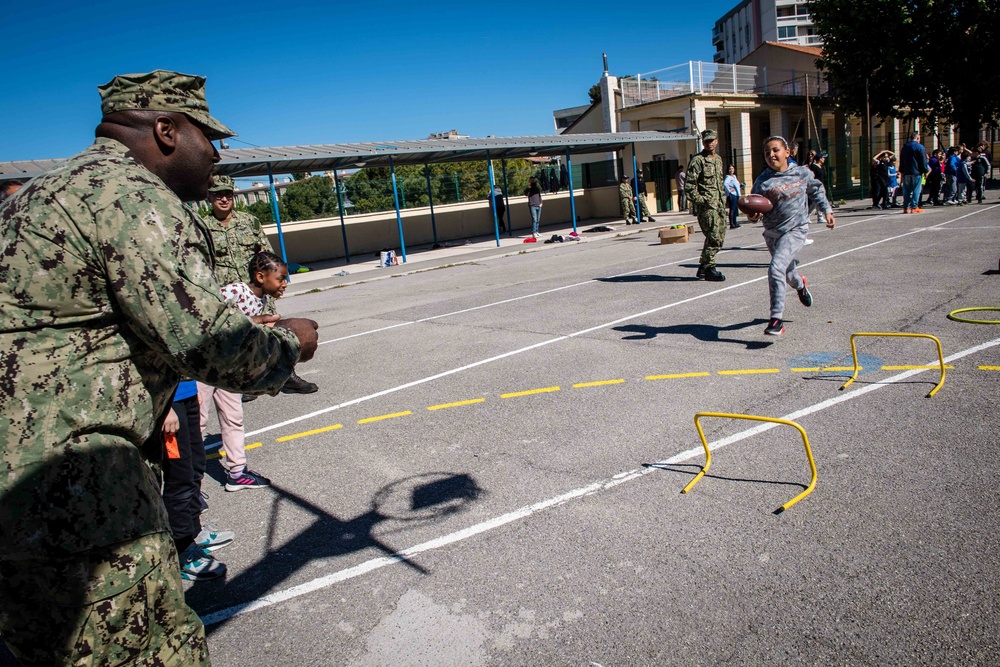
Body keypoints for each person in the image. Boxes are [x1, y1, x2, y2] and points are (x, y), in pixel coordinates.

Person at [0, 70, 319, 666]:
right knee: (142, 649)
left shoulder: (41, 195)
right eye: (209, 137)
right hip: (78, 491)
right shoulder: (132, 196)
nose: (217, 154)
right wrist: (290, 345)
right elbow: (212, 345)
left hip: (17, 488)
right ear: (167, 131)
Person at [203, 174, 318, 395]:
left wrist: (275, 282)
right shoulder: (203, 226)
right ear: (210, 197)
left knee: (275, 333)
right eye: (218, 195)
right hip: (229, 295)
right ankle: (245, 383)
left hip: (258, 290)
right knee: (237, 339)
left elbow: (266, 253)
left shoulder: (248, 221)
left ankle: (287, 376)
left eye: (228, 194)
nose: (224, 199)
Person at [200, 251, 291, 491]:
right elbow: (208, 316)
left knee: (233, 417)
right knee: (197, 422)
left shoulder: (262, 298)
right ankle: (190, 486)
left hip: (229, 367)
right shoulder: (235, 291)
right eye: (281, 278)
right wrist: (257, 321)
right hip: (202, 364)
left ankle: (237, 473)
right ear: (261, 277)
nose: (285, 284)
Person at [746, 136, 835, 336]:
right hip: (772, 234)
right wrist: (752, 215)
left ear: (787, 152)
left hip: (796, 230)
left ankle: (776, 320)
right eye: (767, 152)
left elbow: (817, 190)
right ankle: (801, 284)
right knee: (787, 274)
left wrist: (826, 210)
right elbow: (754, 211)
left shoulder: (802, 173)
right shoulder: (762, 182)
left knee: (776, 268)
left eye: (776, 150)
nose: (771, 155)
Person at [159, 379, 233, 580]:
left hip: (186, 394)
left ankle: (194, 530)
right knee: (179, 476)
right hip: (167, 403)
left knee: (196, 466)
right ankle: (182, 549)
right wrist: (164, 408)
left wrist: (191, 392)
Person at [684, 129, 728, 281]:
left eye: (712, 140)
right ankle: (709, 268)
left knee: (720, 237)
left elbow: (719, 184)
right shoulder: (698, 161)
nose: (710, 143)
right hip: (707, 208)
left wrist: (723, 202)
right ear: (703, 142)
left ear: (717, 141)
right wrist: (703, 201)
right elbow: (689, 187)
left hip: (719, 206)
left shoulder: (718, 159)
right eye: (707, 141)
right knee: (714, 238)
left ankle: (703, 267)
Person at [899, 132, 928, 214]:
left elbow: (902, 159)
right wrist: (925, 170)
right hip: (917, 171)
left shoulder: (905, 147)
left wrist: (902, 170)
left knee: (907, 190)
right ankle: (914, 206)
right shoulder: (920, 147)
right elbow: (923, 160)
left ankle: (906, 207)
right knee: (916, 189)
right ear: (917, 138)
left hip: (906, 171)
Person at [723, 164, 742, 229]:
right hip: (732, 195)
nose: (731, 170)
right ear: (728, 170)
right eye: (730, 169)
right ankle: (732, 224)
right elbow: (725, 184)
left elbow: (735, 185)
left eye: (732, 169)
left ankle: (735, 222)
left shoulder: (734, 176)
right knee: (732, 209)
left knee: (735, 209)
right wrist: (729, 190)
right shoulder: (728, 177)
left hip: (736, 194)